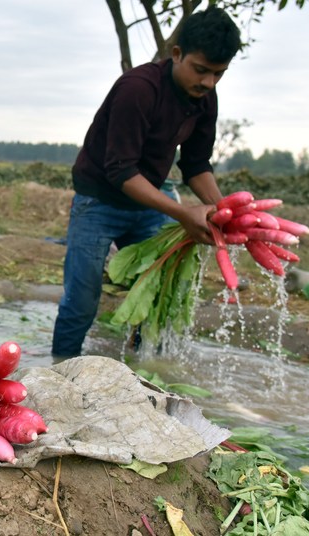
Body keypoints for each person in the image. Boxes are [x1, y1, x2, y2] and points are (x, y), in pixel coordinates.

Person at [51, 7, 242, 358]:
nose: (208, 83)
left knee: (158, 294)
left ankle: (144, 371)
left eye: (219, 74)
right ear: (176, 54)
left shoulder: (205, 98)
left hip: (149, 202)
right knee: (82, 298)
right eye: (201, 70)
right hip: (99, 202)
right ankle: (59, 370)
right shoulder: (138, 89)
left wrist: (224, 210)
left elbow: (196, 164)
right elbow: (120, 170)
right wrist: (185, 213)